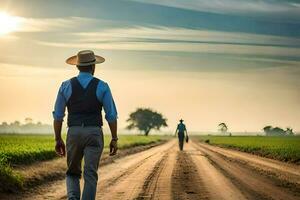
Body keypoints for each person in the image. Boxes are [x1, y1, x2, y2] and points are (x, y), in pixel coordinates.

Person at [53, 50, 118, 200]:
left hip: (74, 132)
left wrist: (58, 139)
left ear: (77, 67)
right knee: (90, 174)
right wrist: (114, 138)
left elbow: (58, 116)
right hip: (94, 132)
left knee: (72, 172)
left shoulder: (65, 86)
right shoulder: (102, 86)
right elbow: (111, 116)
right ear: (93, 67)